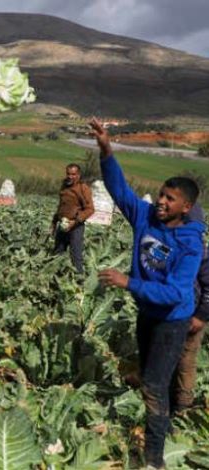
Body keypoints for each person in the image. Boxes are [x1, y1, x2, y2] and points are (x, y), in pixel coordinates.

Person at [91, 118, 205, 469]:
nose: (161, 202)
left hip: (172, 321)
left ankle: (154, 458)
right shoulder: (146, 217)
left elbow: (175, 293)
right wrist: (106, 150)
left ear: (186, 207)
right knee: (153, 377)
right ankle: (162, 428)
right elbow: (120, 191)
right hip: (147, 314)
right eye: (161, 195)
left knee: (154, 385)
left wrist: (129, 283)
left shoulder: (190, 244)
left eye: (170, 199)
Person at [171, 203, 209, 415]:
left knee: (185, 359)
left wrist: (201, 316)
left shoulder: (202, 253)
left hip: (192, 315)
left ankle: (183, 406)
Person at [51, 163, 94, 274]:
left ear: (78, 175)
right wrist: (54, 222)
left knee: (76, 255)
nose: (70, 176)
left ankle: (79, 279)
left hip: (76, 226)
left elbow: (90, 209)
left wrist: (75, 221)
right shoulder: (64, 186)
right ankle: (56, 277)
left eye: (73, 174)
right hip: (63, 225)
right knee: (57, 253)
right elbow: (61, 206)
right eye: (68, 174)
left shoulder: (83, 188)